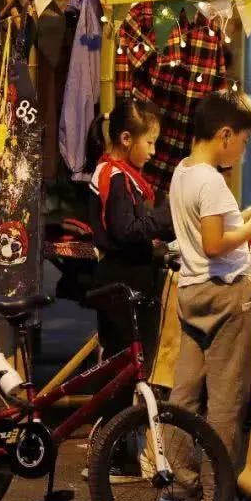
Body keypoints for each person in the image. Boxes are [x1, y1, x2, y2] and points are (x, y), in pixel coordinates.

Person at [160, 89, 251, 501]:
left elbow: (202, 228)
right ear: (225, 135)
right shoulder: (213, 181)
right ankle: (217, 492)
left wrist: (242, 216)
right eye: (243, 142)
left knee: (184, 393)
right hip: (225, 294)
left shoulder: (183, 172)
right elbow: (213, 243)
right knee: (226, 399)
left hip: (192, 293)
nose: (242, 152)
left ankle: (181, 485)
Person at [84, 96, 175, 480]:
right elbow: (126, 231)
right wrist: (166, 218)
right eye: (149, 142)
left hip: (122, 280)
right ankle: (114, 457)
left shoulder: (117, 173)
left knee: (118, 370)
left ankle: (111, 450)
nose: (153, 152)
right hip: (123, 284)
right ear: (126, 139)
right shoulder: (116, 176)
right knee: (124, 373)